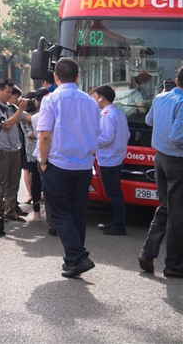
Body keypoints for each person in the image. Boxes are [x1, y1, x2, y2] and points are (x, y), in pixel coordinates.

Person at [37, 57, 101, 278]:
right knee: (77, 212)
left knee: (60, 212)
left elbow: (45, 135)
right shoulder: (91, 101)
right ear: (77, 77)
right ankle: (72, 260)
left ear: (55, 77)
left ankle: (77, 257)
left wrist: (43, 161)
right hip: (83, 164)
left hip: (58, 163)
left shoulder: (50, 99)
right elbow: (96, 132)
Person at [138, 66, 183, 278]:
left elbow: (149, 121)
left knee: (166, 206)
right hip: (178, 161)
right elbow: (178, 137)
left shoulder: (160, 97)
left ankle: (148, 251)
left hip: (160, 158)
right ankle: (174, 265)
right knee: (178, 214)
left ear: (176, 79)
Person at [90, 85, 129, 235]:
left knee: (114, 193)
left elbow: (105, 138)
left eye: (95, 97)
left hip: (109, 158)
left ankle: (119, 225)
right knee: (114, 192)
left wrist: (91, 139)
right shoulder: (118, 113)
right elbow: (127, 135)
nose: (95, 100)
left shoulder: (106, 115)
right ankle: (117, 222)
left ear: (101, 98)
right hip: (117, 157)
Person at [0, 80, 28, 222]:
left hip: (15, 149)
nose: (10, 95)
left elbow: (29, 118)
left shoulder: (11, 107)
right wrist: (20, 110)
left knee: (14, 182)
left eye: (12, 92)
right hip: (1, 149)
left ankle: (10, 211)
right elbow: (6, 125)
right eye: (8, 92)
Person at [20, 89, 47, 222]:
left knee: (47, 183)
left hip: (47, 152)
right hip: (33, 154)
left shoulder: (38, 116)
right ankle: (37, 212)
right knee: (36, 181)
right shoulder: (28, 117)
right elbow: (29, 135)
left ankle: (48, 212)